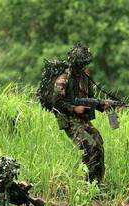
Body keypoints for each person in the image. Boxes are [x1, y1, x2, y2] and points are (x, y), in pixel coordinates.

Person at [50, 43, 108, 184]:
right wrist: (74, 108)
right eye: (80, 64)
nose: (82, 67)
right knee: (90, 146)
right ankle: (88, 183)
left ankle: (96, 184)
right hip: (69, 120)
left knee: (98, 142)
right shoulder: (64, 79)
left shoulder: (85, 77)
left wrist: (102, 106)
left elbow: (90, 100)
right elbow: (56, 103)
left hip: (82, 120)